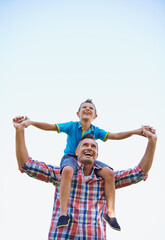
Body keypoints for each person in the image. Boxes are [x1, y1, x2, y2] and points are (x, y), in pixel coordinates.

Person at [13, 117, 157, 240]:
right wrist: (20, 131)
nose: (89, 148)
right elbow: (27, 165)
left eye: (93, 146)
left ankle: (111, 214)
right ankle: (64, 214)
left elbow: (138, 173)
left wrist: (152, 141)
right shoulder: (62, 174)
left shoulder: (106, 180)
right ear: (76, 151)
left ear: (97, 155)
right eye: (85, 145)